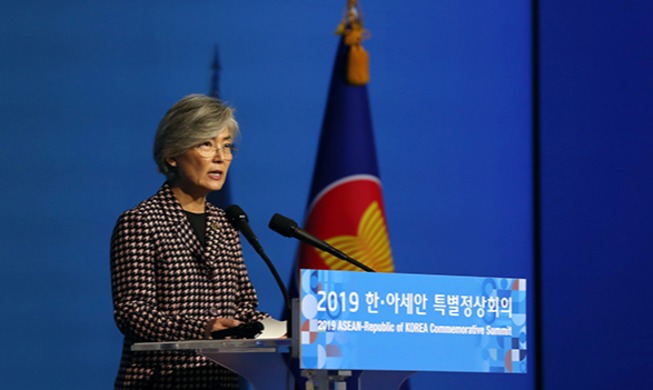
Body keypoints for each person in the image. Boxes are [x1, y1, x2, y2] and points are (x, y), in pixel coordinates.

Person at [110, 94, 267, 389]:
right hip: (161, 381)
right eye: (206, 144)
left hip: (221, 380)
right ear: (172, 154)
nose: (221, 156)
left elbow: (244, 305)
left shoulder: (227, 223)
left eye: (227, 146)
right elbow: (132, 312)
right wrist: (202, 329)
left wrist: (286, 328)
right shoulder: (141, 221)